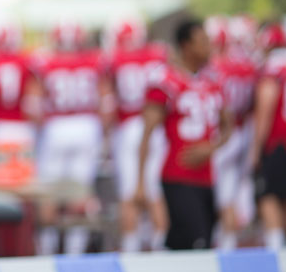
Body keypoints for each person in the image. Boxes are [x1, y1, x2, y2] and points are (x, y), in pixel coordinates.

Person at [136, 18, 233, 250]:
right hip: (177, 173)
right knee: (195, 240)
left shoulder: (213, 79)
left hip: (207, 175)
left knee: (198, 242)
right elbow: (147, 133)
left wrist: (212, 147)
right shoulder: (165, 80)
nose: (209, 47)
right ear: (186, 45)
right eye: (202, 42)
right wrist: (140, 182)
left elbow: (229, 125)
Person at [29, 21, 103, 255]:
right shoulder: (93, 61)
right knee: (78, 192)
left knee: (49, 192)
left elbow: (33, 104)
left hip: (57, 126)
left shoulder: (45, 62)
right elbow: (106, 101)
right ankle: (74, 253)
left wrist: (42, 130)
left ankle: (47, 252)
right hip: (87, 125)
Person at [101, 18, 168, 252]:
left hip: (129, 127)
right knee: (154, 191)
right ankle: (160, 248)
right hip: (155, 128)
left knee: (129, 193)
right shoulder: (158, 55)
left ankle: (131, 250)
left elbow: (108, 103)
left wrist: (106, 135)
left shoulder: (114, 59)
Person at [209, 15, 258, 249]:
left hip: (221, 135)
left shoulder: (216, 68)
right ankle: (227, 245)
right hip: (241, 131)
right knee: (228, 195)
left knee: (216, 196)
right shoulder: (250, 66)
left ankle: (220, 244)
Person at [249, 22, 286, 250]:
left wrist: (255, 148)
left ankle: (276, 248)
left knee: (269, 195)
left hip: (278, 140)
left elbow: (266, 107)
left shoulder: (273, 67)